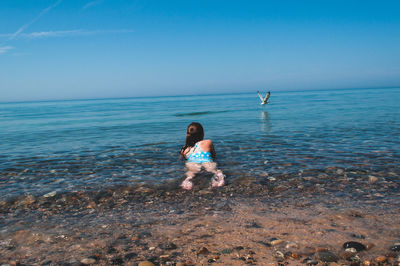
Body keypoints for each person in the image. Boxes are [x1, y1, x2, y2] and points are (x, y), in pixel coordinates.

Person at [179, 122, 225, 190]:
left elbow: (182, 159)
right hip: (206, 161)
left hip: (192, 163)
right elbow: (213, 155)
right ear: (202, 134)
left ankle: (187, 181)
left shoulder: (184, 149)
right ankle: (218, 179)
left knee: (190, 174)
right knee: (216, 171)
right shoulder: (207, 142)